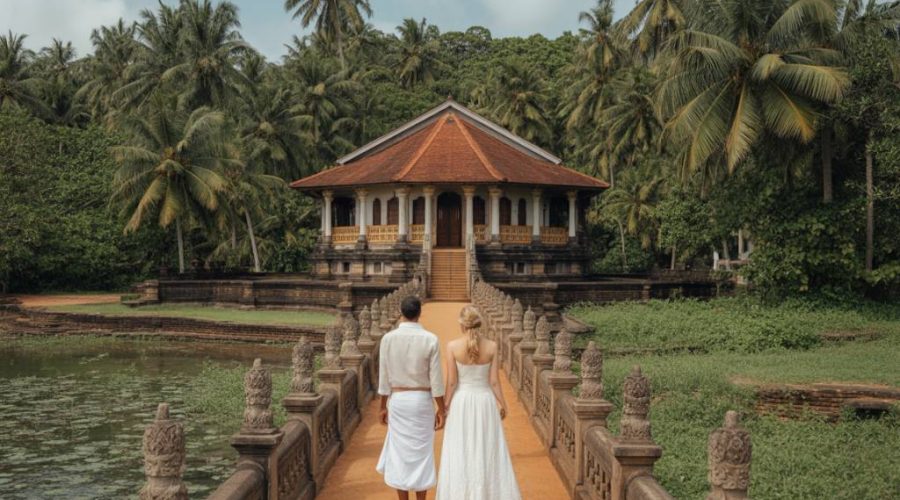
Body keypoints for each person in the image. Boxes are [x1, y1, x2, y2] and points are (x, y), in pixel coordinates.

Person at [435, 305, 521, 500]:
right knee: (487, 448)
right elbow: (493, 381)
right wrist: (503, 404)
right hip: (485, 402)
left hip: (462, 402)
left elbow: (452, 381)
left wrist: (445, 406)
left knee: (461, 449)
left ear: (462, 324)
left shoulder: (452, 346)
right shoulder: (492, 346)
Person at [376, 295, 446, 500]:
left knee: (400, 455)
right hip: (422, 402)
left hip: (398, 400)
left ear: (401, 312)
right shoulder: (430, 339)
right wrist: (441, 409)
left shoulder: (388, 339)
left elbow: (384, 377)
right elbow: (436, 381)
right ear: (419, 313)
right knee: (422, 454)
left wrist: (382, 406)